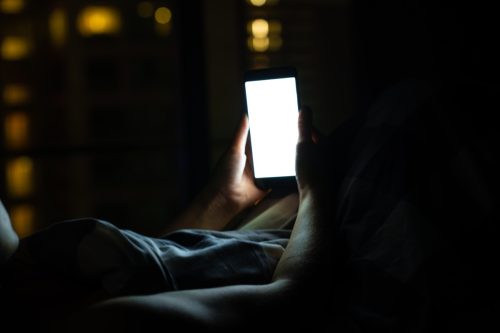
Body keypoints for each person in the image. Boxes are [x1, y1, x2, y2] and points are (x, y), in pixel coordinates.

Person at [0, 107, 334, 331]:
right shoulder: (100, 324)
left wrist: (222, 200)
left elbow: (152, 273)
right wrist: (315, 190)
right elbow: (292, 301)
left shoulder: (38, 276)